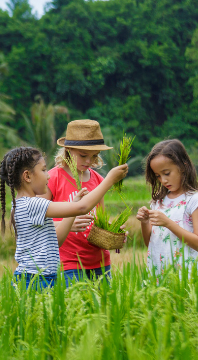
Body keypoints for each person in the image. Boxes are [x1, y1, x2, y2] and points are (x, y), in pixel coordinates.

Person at [0, 146, 129, 289]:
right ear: (27, 176)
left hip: (45, 276)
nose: (48, 175)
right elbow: (83, 208)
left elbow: (58, 240)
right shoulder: (33, 205)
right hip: (35, 279)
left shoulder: (24, 204)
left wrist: (73, 206)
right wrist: (109, 180)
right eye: (43, 170)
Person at [39, 119, 123, 287]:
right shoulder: (53, 178)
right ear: (68, 150)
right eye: (83, 155)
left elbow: (100, 219)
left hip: (100, 262)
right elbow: (38, 219)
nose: (88, 161)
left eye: (94, 156)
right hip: (68, 262)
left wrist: (113, 232)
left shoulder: (98, 179)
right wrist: (66, 223)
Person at [136, 139, 198, 275]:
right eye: (158, 176)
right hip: (158, 274)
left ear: (183, 167)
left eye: (167, 173)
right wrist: (145, 222)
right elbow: (150, 244)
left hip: (185, 275)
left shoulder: (194, 199)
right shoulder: (158, 201)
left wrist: (168, 223)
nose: (163, 180)